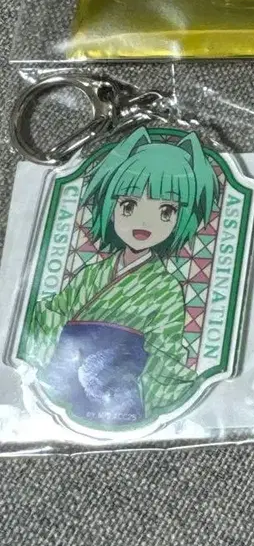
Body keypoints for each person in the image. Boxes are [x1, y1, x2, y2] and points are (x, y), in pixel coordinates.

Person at [21, 127, 219, 426]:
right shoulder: (93, 273)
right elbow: (52, 313)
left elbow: (165, 352)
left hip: (120, 391)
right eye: (129, 205)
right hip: (62, 382)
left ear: (182, 219)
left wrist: (164, 404)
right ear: (110, 208)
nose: (145, 220)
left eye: (166, 210)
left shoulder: (165, 287)